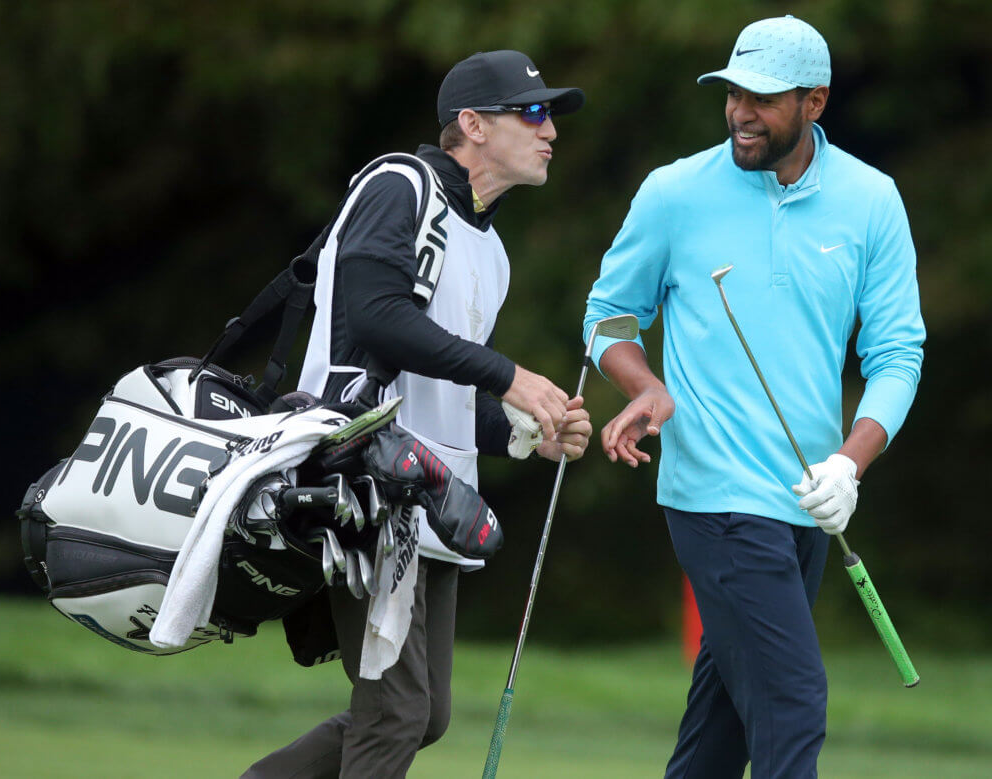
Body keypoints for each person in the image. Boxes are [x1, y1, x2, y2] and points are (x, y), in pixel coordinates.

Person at [582, 16, 925, 779]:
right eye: (734, 93)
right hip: (715, 496)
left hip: (810, 500)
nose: (741, 111)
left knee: (721, 732)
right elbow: (607, 316)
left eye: (763, 98)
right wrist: (645, 385)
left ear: (815, 101)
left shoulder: (872, 200)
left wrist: (850, 462)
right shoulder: (674, 193)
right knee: (792, 699)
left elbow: (898, 352)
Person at [243, 50, 590, 778]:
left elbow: (447, 393)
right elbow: (376, 317)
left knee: (423, 716)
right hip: (363, 484)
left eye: (550, 115)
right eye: (532, 113)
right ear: (473, 124)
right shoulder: (400, 185)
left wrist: (527, 431)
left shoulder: (491, 250)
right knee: (396, 712)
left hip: (434, 497)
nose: (550, 130)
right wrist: (511, 377)